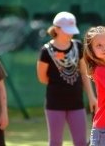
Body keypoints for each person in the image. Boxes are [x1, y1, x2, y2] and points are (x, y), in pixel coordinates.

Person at [36, 11, 97, 146]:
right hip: (54, 103)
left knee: (81, 142)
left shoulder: (78, 46)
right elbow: (42, 77)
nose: (70, 33)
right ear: (56, 29)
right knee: (55, 142)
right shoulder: (46, 51)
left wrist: (92, 97)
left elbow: (84, 73)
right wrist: (59, 85)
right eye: (66, 30)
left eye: (72, 30)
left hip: (77, 102)